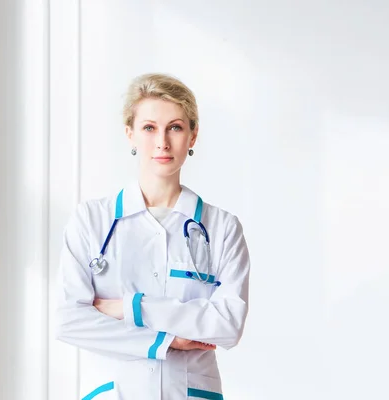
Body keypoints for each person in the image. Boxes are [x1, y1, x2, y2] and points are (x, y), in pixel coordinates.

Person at [55, 73, 250, 400]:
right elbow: (70, 320)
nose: (162, 141)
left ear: (192, 136)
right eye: (149, 128)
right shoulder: (91, 220)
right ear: (130, 134)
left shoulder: (222, 228)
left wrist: (130, 307)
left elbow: (227, 326)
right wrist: (168, 341)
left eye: (175, 127)